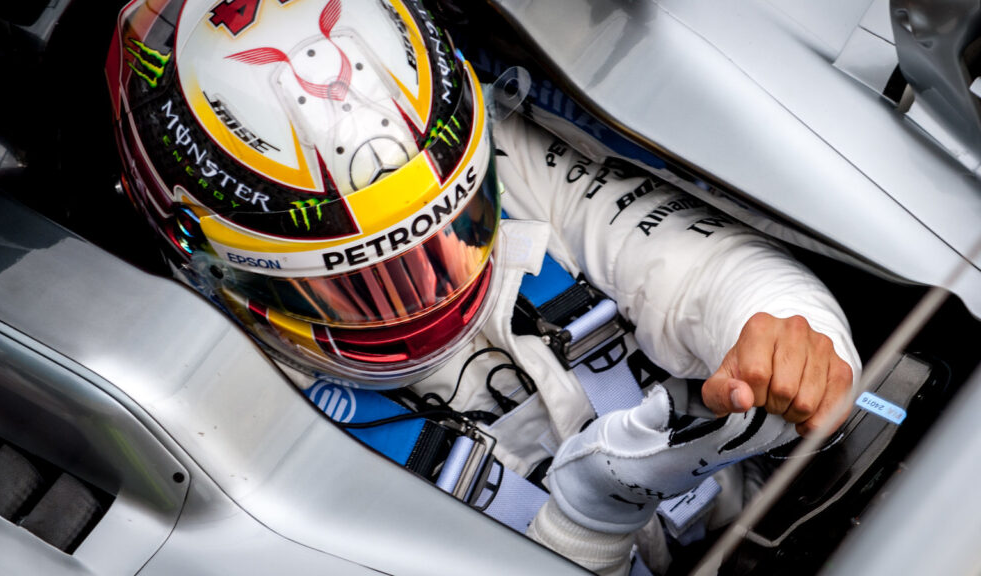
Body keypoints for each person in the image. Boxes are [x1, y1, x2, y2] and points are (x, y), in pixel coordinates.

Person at [107, 0, 859, 573]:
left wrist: (782, 331)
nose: (427, 290)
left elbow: (710, 268)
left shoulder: (506, 155)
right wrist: (589, 520)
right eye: (357, 282)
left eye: (450, 229)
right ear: (203, 254)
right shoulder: (221, 426)